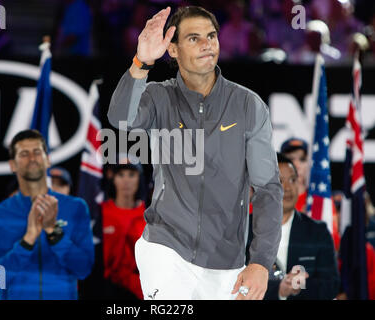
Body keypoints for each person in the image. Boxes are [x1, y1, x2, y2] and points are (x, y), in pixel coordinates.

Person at [108, 6, 282, 300]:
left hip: (226, 261)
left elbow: (267, 188)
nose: (206, 44)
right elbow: (121, 119)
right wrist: (141, 62)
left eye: (211, 36)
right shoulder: (157, 96)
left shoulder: (248, 105)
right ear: (172, 50)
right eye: (194, 38)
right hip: (165, 248)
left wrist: (260, 262)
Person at [0, 129, 94, 300]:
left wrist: (53, 232)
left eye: (37, 152)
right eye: (24, 154)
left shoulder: (75, 207)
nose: (32, 158)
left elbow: (83, 269)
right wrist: (27, 240)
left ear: (48, 160)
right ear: (12, 164)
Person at [247, 154, 340, 300]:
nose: (288, 188)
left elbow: (331, 285)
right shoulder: (243, 232)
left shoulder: (318, 232)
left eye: (292, 180)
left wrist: (298, 287)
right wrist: (279, 290)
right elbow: (234, 283)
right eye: (280, 181)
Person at [102, 156, 146, 299]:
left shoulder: (150, 216)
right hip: (102, 288)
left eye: (132, 174)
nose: (126, 180)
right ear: (113, 178)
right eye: (121, 174)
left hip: (138, 291)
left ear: (139, 178)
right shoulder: (99, 213)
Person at [280, 138, 309, 213]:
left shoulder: (321, 199)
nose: (297, 165)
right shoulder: (266, 199)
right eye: (290, 159)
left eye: (302, 159)